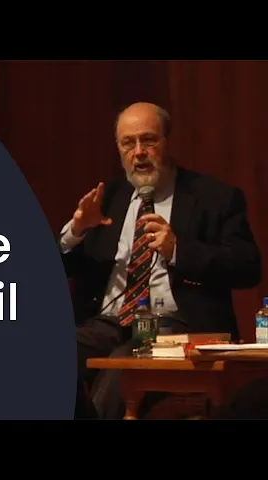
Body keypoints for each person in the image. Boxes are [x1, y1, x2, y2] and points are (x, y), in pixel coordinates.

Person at [58, 102, 262, 419]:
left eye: (149, 140)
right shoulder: (108, 198)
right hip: (109, 323)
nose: (139, 152)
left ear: (167, 141)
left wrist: (178, 250)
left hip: (177, 326)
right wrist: (76, 231)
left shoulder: (214, 198)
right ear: (119, 149)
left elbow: (248, 267)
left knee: (122, 368)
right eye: (128, 143)